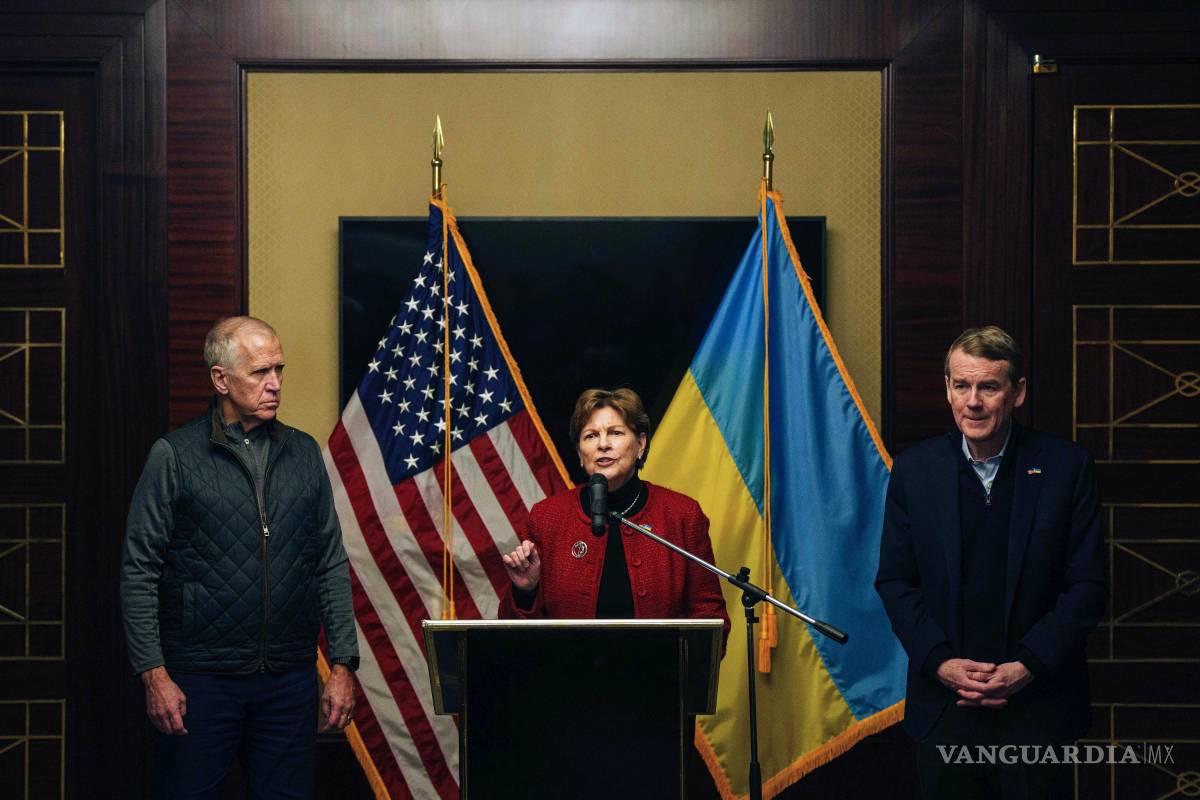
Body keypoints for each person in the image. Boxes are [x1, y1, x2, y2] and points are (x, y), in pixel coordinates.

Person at [120, 316, 359, 800]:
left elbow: (329, 562)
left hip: (288, 682)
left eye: (279, 369)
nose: (274, 384)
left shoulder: (304, 453)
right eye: (259, 372)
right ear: (220, 379)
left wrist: (342, 664)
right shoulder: (174, 456)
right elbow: (138, 569)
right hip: (200, 682)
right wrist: (154, 673)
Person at [875, 325, 1107, 799]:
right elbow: (896, 581)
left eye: (989, 386)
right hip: (945, 707)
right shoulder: (915, 471)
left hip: (1038, 707)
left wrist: (1025, 666)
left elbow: (1087, 587)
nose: (973, 401)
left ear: (1017, 392)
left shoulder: (1067, 468)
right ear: (947, 388)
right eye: (961, 385)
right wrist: (940, 663)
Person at [500, 387, 729, 643]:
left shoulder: (682, 514)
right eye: (591, 436)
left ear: (640, 444)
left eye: (616, 433)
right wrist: (525, 592)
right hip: (568, 677)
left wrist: (679, 674)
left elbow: (709, 615)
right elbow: (515, 638)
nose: (603, 444)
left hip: (656, 678)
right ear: (579, 452)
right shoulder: (547, 517)